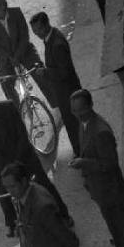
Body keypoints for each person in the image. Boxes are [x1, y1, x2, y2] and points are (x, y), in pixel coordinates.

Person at [0, 86, 73, 237]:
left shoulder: (8, 106)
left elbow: (22, 134)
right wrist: (8, 166)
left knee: (44, 184)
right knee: (3, 191)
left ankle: (63, 214)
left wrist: (17, 161)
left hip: (24, 157)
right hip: (2, 164)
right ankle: (10, 223)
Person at [69, 89, 124, 247]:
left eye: (81, 111)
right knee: (122, 215)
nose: (77, 115)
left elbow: (109, 163)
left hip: (108, 186)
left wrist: (83, 163)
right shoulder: (84, 123)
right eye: (74, 111)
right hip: (101, 186)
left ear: (90, 106)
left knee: (116, 219)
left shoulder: (100, 131)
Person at [0, 0, 54, 108]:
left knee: (39, 71)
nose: (3, 6)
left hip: (24, 51)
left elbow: (24, 35)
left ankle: (56, 102)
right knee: (6, 85)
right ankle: (18, 113)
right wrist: (8, 57)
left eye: (4, 2)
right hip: (6, 59)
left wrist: (17, 55)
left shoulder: (16, 13)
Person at [30, 11, 81, 156]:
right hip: (65, 92)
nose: (37, 34)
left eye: (39, 29)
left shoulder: (56, 44)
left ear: (46, 24)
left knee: (73, 125)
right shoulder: (51, 37)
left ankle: (81, 155)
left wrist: (45, 72)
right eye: (34, 31)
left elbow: (64, 72)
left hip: (68, 92)